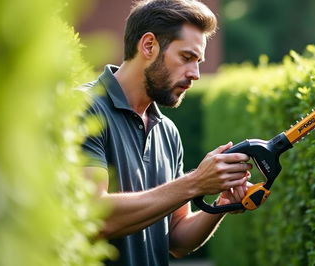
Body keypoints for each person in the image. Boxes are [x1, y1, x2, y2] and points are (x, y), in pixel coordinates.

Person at [80, 0, 254, 265]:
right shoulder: (85, 108)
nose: (195, 74)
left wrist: (222, 203)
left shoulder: (168, 131)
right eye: (186, 57)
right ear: (148, 45)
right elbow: (94, 217)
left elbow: (177, 240)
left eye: (198, 61)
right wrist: (195, 182)